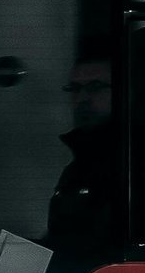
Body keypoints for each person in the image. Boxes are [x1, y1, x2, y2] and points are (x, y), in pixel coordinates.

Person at [46, 53, 120, 252]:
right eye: (75, 89)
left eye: (95, 88)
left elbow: (94, 248)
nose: (82, 99)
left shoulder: (131, 163)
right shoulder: (80, 164)